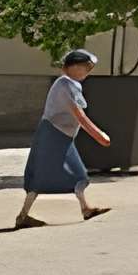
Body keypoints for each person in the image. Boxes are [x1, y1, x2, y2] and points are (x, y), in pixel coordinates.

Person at [16, 50, 113, 230]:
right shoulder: (64, 85)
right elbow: (79, 115)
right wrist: (99, 136)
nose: (88, 72)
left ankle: (85, 209)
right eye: (87, 67)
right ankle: (23, 216)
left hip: (61, 137)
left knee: (78, 174)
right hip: (53, 136)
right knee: (40, 176)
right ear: (74, 66)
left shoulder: (69, 84)